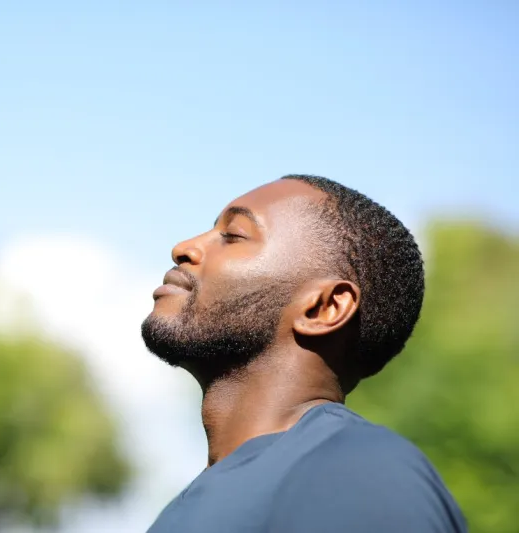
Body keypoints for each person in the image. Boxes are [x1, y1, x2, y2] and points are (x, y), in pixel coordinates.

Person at [141, 175, 467, 532]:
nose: (183, 248)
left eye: (233, 235)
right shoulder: (182, 510)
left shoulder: (361, 471)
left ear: (324, 308)